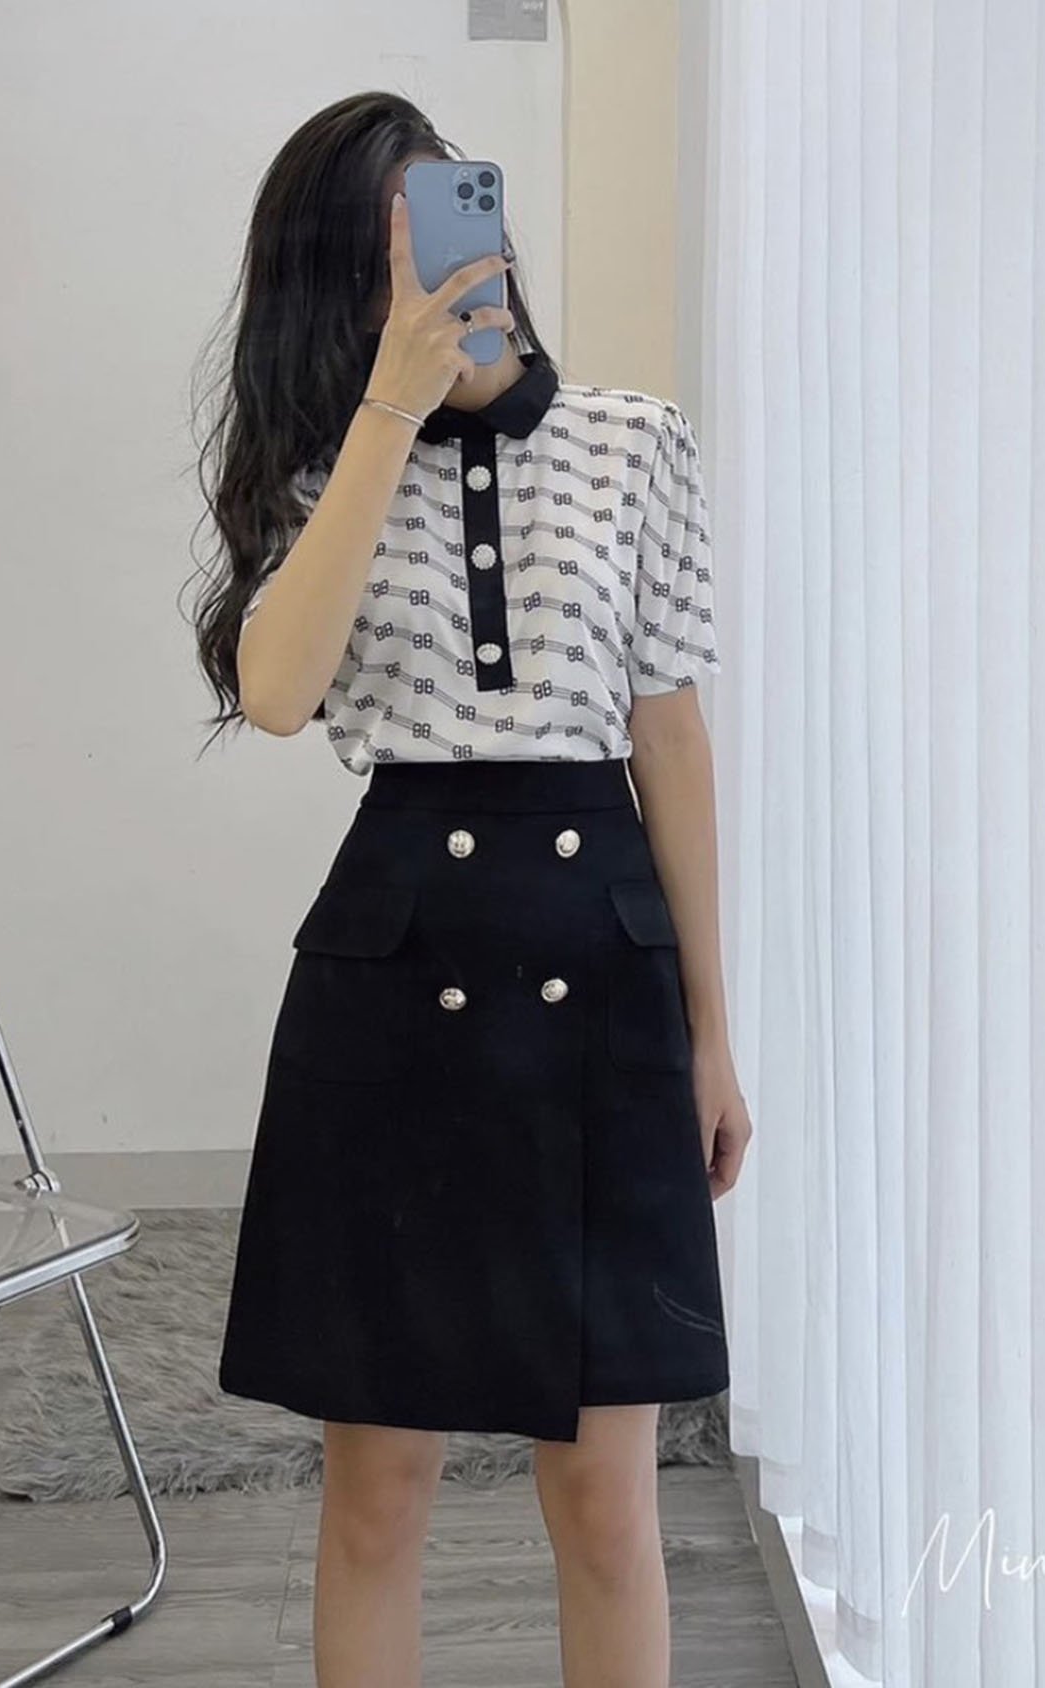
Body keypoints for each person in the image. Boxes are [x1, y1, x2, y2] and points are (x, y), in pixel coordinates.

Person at [190, 89, 753, 1688]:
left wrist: (714, 1030)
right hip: (394, 991)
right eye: (397, 244)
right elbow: (280, 695)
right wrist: (385, 411)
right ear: (341, 281)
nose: (449, 261)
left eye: (453, 215)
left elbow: (669, 736)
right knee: (378, 1494)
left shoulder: (636, 441)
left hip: (603, 975)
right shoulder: (323, 471)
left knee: (606, 1497)